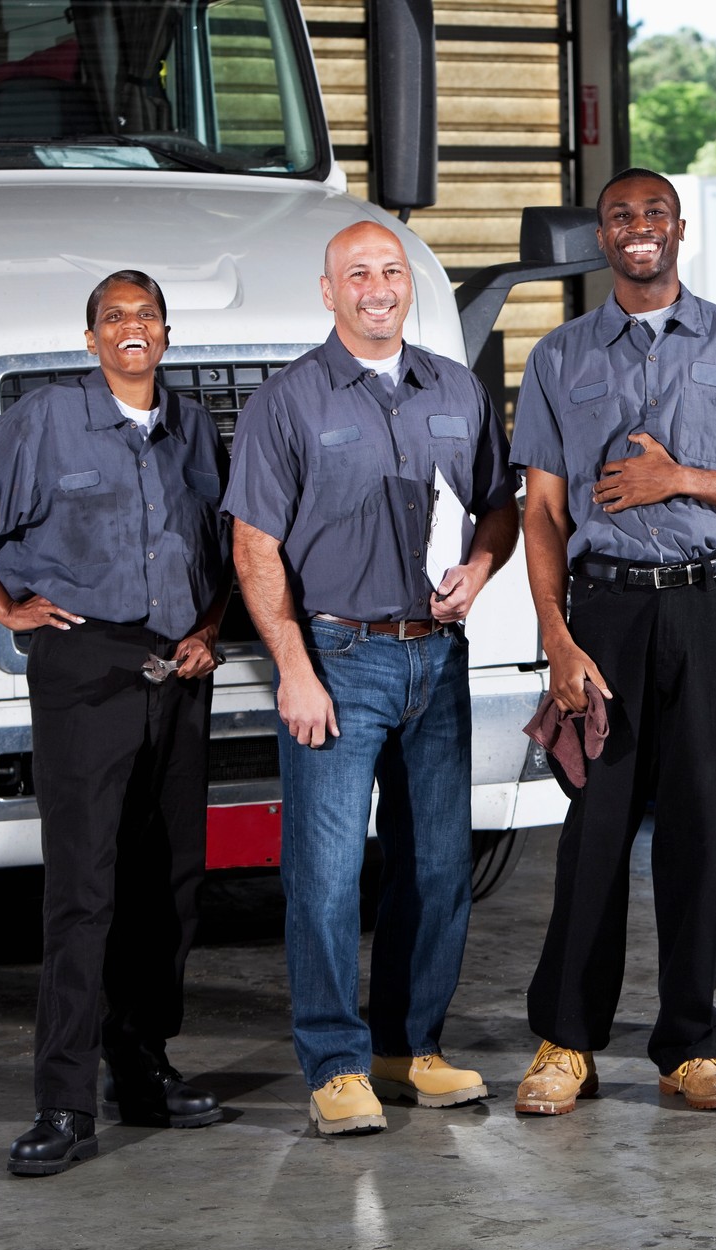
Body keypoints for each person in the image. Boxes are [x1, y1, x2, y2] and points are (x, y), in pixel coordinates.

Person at [509, 168, 716, 1114]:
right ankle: (566, 1042)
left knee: (703, 825)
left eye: (653, 213)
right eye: (620, 217)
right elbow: (542, 514)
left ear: (679, 228)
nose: (638, 228)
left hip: (713, 607)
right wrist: (558, 639)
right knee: (595, 829)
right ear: (601, 238)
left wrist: (682, 479)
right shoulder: (560, 357)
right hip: (605, 614)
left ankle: (690, 1042)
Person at [0, 270, 232, 1176]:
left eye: (145, 315)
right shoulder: (46, 420)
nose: (131, 328)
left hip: (177, 668)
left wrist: (209, 629)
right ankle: (62, 1101)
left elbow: (214, 542)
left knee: (170, 880)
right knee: (84, 889)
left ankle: (143, 1067)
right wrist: (6, 608)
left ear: (166, 333)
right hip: (85, 665)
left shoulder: (190, 427)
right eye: (113, 317)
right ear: (92, 338)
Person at [223, 221, 518, 1136]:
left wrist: (480, 568)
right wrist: (294, 670)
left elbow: (498, 507)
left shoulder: (458, 390)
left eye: (391, 271)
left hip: (437, 655)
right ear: (329, 292)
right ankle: (336, 1062)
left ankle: (408, 1047)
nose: (378, 287)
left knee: (436, 867)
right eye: (359, 274)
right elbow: (253, 546)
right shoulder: (289, 402)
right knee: (325, 873)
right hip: (339, 661)